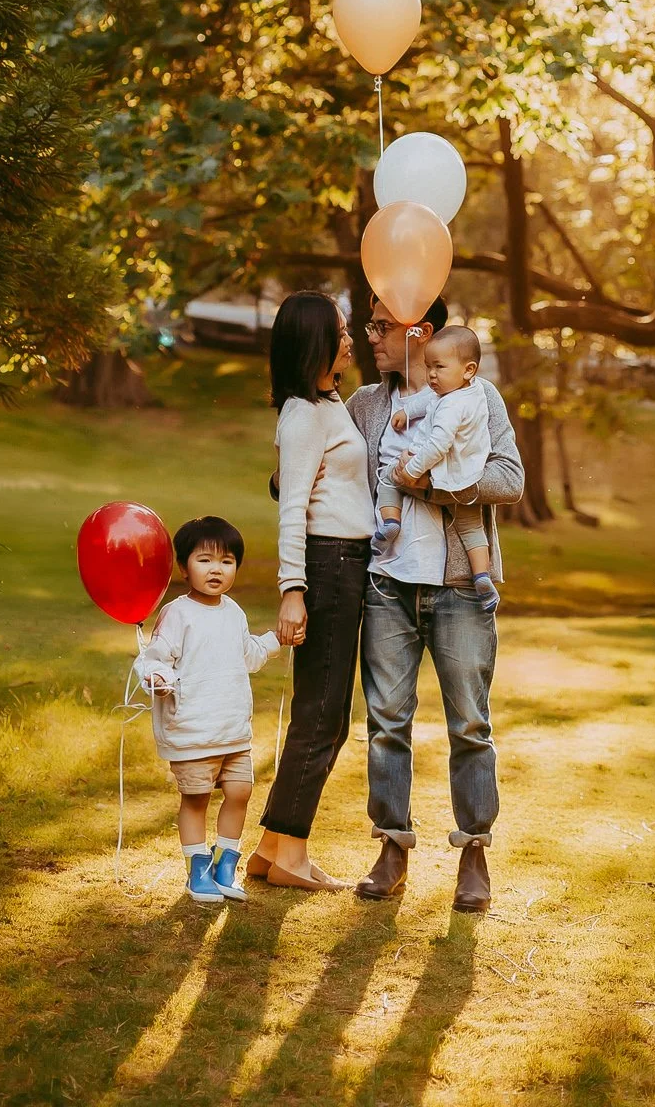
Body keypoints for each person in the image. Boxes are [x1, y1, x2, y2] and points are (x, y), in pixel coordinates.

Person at [346, 296, 524, 914]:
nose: (370, 335)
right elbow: (337, 473)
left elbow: (511, 479)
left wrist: (447, 486)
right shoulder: (368, 405)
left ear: (417, 331)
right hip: (386, 587)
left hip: (458, 588)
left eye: (380, 324)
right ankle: (392, 846)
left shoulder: (479, 397)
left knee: (469, 725)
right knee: (385, 723)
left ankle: (474, 852)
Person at [249, 290, 375, 891]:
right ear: (315, 342)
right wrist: (291, 589)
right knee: (324, 718)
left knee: (321, 715)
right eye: (342, 331)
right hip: (327, 565)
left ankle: (272, 848)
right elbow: (292, 507)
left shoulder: (330, 404)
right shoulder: (303, 412)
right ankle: (291, 854)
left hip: (347, 563)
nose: (351, 340)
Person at [136, 515, 280, 906]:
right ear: (184, 567)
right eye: (205, 560)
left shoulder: (233, 611)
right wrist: (157, 677)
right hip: (193, 729)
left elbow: (247, 655)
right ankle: (196, 869)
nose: (216, 569)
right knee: (196, 798)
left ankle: (224, 865)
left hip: (232, 729)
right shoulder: (177, 613)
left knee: (240, 791)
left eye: (227, 561)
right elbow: (154, 657)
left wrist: (274, 640)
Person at [376, 324, 499, 611]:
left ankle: (391, 523)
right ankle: (482, 576)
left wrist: (412, 470)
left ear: (468, 369)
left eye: (439, 367)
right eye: (428, 366)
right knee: (471, 527)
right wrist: (408, 411)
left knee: (389, 479)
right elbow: (426, 399)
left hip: (438, 470)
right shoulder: (474, 391)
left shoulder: (449, 406)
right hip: (468, 476)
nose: (431, 375)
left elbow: (438, 444)